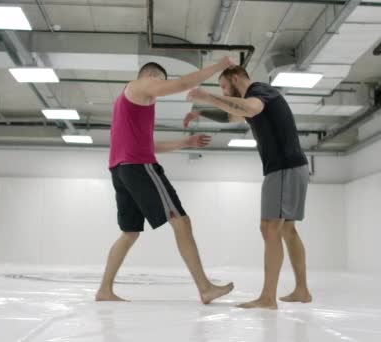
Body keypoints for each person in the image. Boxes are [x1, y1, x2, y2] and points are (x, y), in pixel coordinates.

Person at [96, 58, 237, 304]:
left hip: (121, 169)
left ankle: (104, 290)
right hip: (139, 167)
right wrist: (220, 66)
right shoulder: (140, 86)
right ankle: (205, 288)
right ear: (152, 77)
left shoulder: (129, 103)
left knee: (129, 232)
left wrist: (185, 143)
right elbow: (182, 83)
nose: (160, 89)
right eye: (160, 82)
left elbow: (148, 145)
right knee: (181, 221)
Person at [185, 66, 312, 309]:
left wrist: (207, 96)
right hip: (292, 167)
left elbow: (250, 108)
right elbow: (233, 115)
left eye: (223, 87)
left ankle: (267, 297)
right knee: (287, 230)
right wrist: (202, 110)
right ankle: (302, 290)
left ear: (235, 78)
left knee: (269, 227)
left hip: (283, 169)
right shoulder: (258, 95)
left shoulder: (259, 91)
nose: (223, 92)